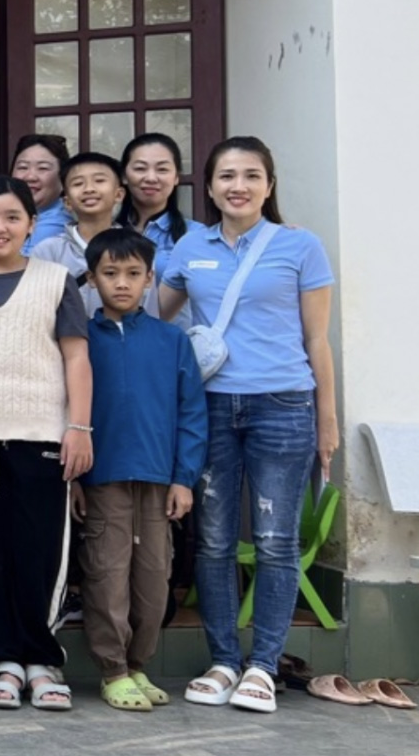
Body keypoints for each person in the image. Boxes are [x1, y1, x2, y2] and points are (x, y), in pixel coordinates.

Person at [163, 137, 336, 715]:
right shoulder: (190, 247)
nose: (238, 185)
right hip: (210, 408)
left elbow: (317, 340)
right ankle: (222, 661)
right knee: (212, 540)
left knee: (275, 539)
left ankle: (263, 665)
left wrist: (327, 421)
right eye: (226, 175)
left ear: (269, 184)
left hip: (284, 406)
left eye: (251, 175)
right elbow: (154, 319)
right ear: (208, 187)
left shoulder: (299, 246)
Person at [0, 176, 93, 712]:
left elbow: (77, 358)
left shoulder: (57, 280)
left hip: (41, 437)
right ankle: (3, 660)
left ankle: (42, 659)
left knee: (39, 552)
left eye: (12, 217)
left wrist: (78, 428)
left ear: (32, 224)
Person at [75, 229, 207, 713]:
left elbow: (192, 412)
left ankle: (138, 665)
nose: (122, 284)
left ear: (151, 279)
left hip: (158, 480)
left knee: (154, 577)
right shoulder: (80, 340)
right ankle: (111, 669)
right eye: (110, 274)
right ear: (92, 279)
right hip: (103, 478)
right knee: (107, 575)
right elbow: (67, 409)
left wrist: (183, 478)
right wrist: (72, 478)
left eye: (134, 274)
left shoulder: (172, 341)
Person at [31, 152, 139, 314]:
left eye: (99, 181)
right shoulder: (47, 252)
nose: (89, 189)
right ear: (67, 202)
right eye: (78, 183)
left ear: (119, 194)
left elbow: (148, 314)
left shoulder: (138, 249)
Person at [118, 132, 190, 281]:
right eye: (140, 168)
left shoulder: (196, 235)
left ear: (176, 177)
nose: (151, 178)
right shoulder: (108, 231)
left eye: (162, 169)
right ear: (124, 176)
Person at [11, 134, 71, 255]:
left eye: (43, 168)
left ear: (63, 178)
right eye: (22, 167)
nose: (30, 177)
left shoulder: (60, 222)